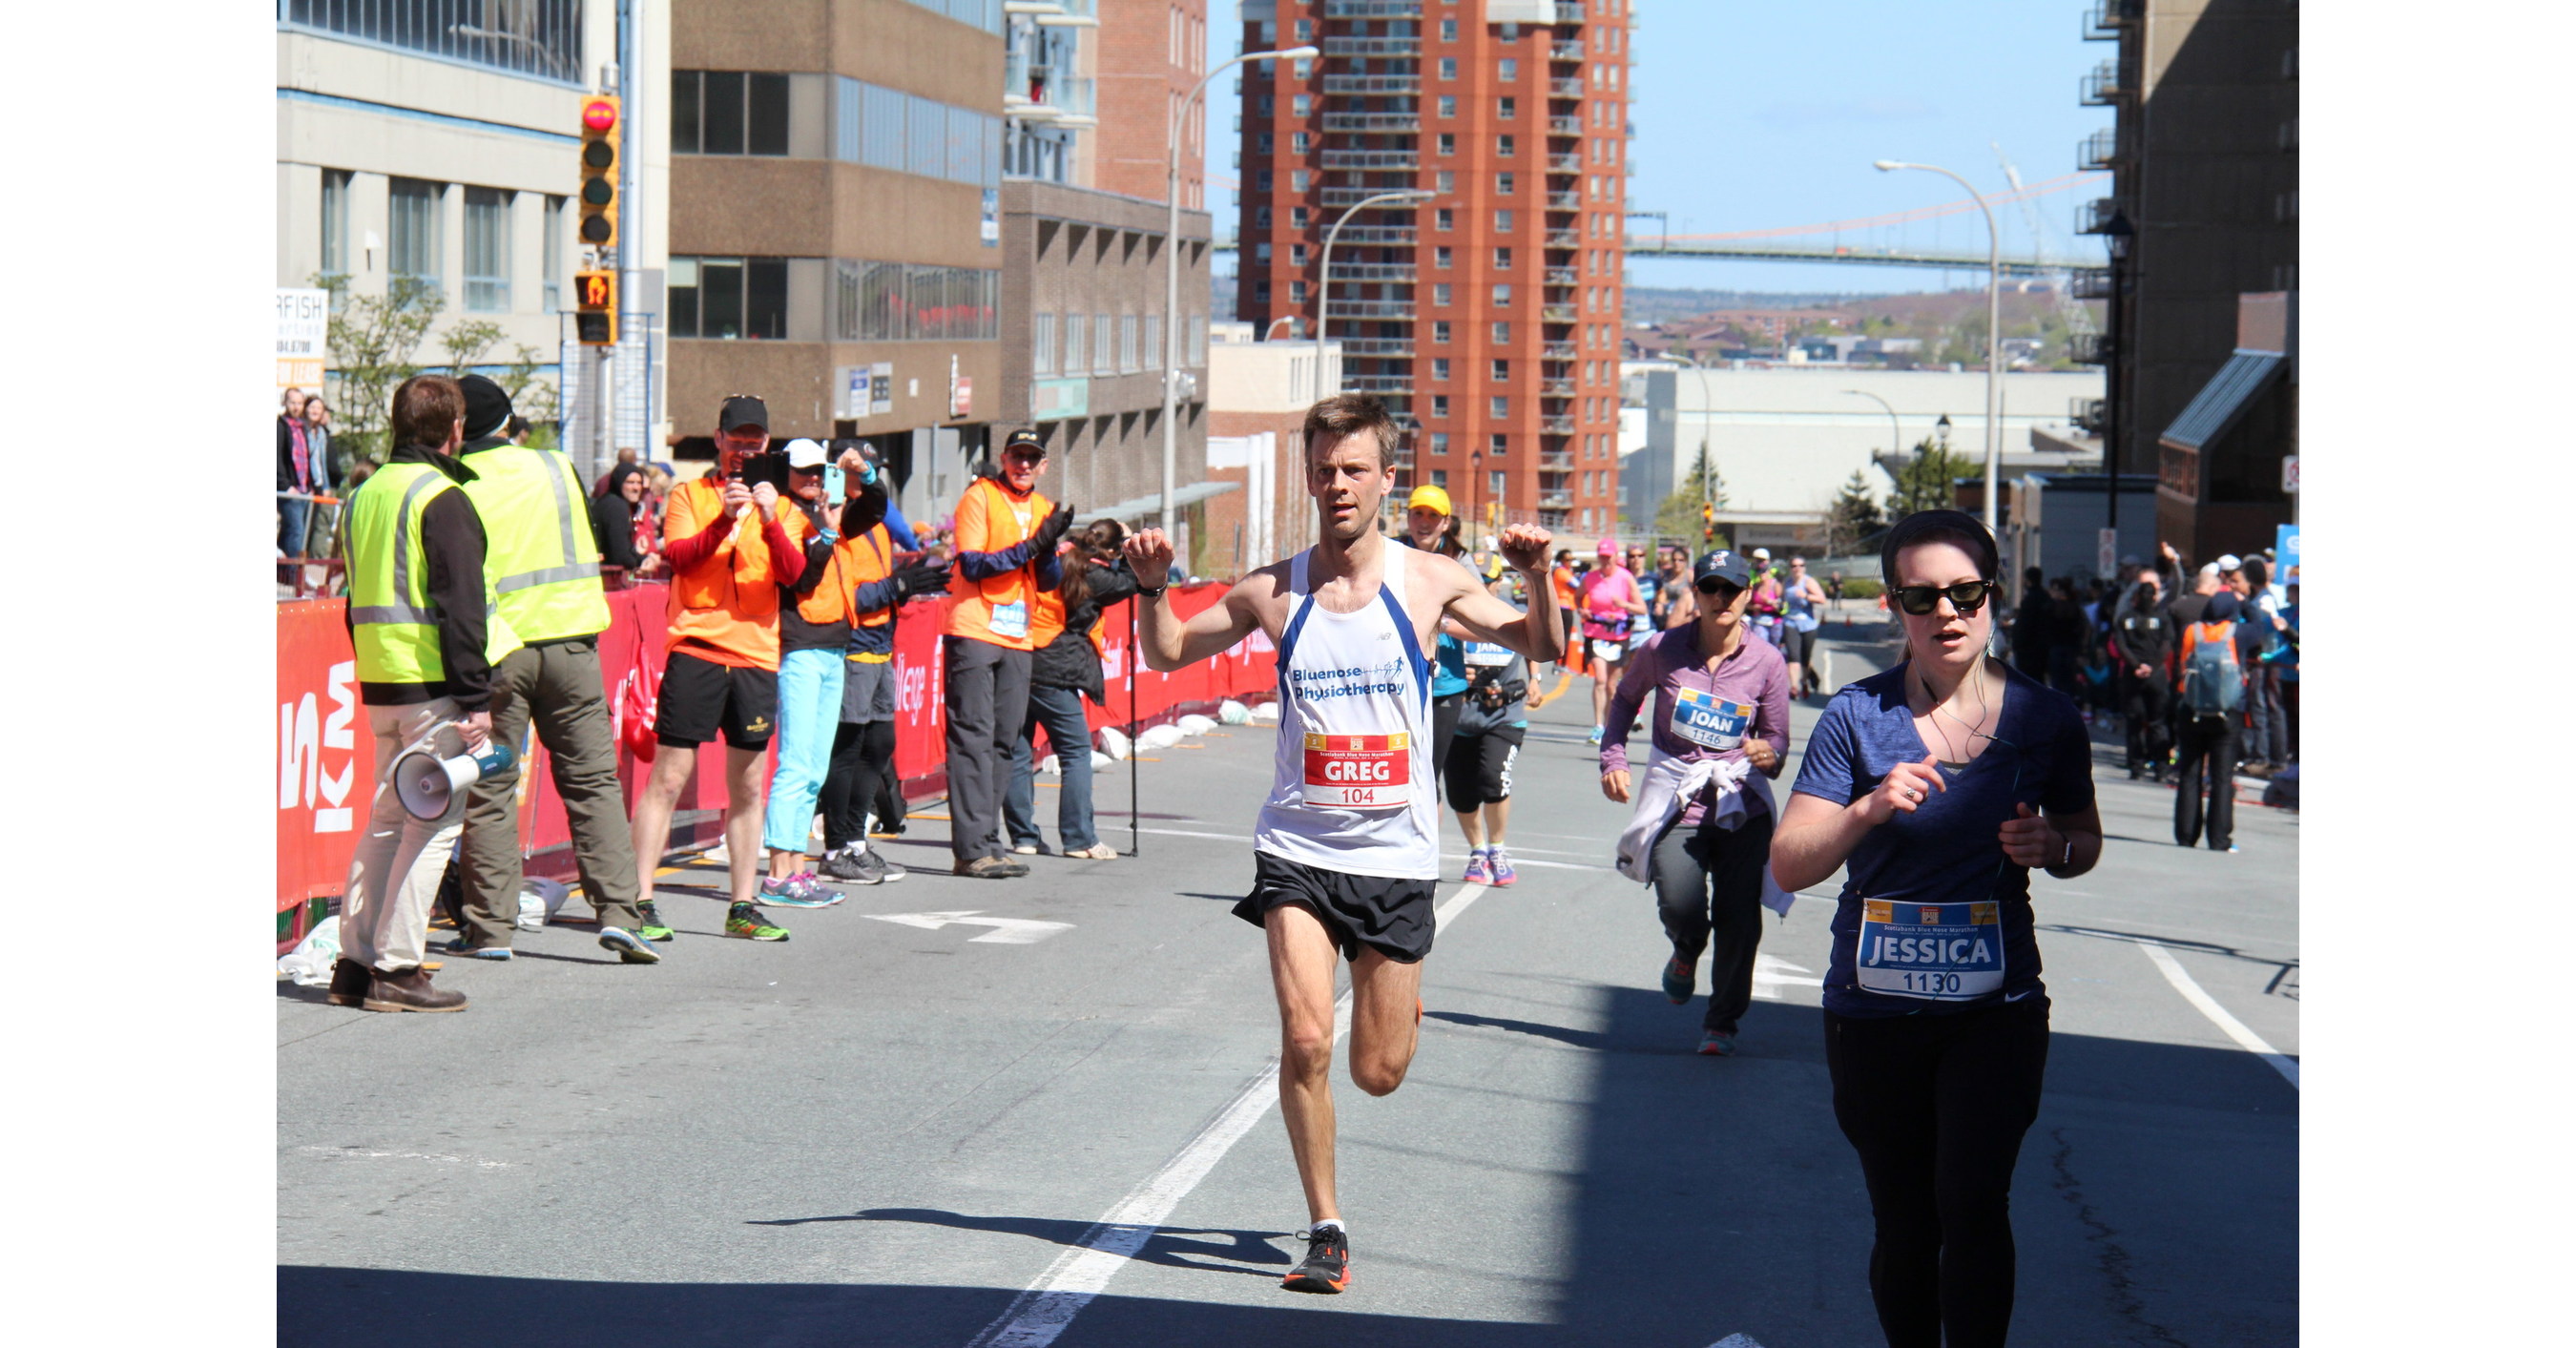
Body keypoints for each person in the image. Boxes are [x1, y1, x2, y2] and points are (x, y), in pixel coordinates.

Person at [1122, 393, 1562, 1296]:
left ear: (1386, 479)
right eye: (1323, 469)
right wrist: (1151, 586)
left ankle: (1398, 1008)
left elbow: (1539, 642)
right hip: (1298, 846)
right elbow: (1167, 652)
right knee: (1309, 1039)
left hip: (1396, 857)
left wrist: (1540, 577)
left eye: (1353, 469)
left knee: (1378, 1070)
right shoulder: (1271, 589)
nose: (1337, 485)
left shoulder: (1427, 580)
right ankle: (1327, 1226)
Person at [1769, 509, 2103, 1348]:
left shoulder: (2046, 718)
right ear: (1896, 605)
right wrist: (1869, 808)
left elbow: (2082, 839)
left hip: (1995, 1011)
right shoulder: (1855, 716)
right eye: (1923, 596)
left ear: (1993, 598)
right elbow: (1790, 860)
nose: (1945, 612)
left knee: (1973, 1200)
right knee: (1907, 1217)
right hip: (1874, 1014)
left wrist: (2052, 845)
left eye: (1965, 593)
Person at [441, 375, 659, 964]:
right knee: (592, 783)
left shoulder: (454, 483)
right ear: (509, 423)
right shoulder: (556, 466)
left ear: (458, 428)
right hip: (571, 645)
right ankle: (620, 914)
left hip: (501, 654)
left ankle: (490, 930)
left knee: (491, 790)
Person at [324, 374, 520, 1012]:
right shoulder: (442, 496)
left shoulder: (365, 493)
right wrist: (476, 701)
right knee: (432, 825)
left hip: (382, 680)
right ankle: (400, 965)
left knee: (386, 820)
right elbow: (463, 610)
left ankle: (355, 962)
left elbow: (355, 597)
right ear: (456, 428)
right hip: (432, 684)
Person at [627, 395, 811, 944]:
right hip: (698, 649)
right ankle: (639, 899)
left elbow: (796, 573)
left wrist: (769, 517)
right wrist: (724, 519)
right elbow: (678, 556)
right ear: (719, 440)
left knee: (749, 785)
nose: (744, 451)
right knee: (669, 778)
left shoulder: (785, 507)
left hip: (756, 655)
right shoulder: (688, 495)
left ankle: (743, 905)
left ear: (767, 445)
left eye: (755, 442)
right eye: (736, 441)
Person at [1601, 548, 1793, 1056]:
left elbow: (1778, 739)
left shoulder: (1768, 662)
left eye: (1732, 588)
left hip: (1740, 806)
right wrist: (1613, 758)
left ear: (1748, 595)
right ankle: (1686, 949)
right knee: (1683, 905)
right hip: (1676, 801)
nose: (1721, 598)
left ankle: (1722, 1024)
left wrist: (1766, 753)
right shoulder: (1662, 648)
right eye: (1711, 587)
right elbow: (1624, 700)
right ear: (1697, 593)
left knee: (1739, 919)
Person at [944, 429, 1076, 879]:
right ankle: (970, 847)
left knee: (1005, 741)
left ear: (1042, 465)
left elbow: (1048, 580)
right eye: (1017, 456)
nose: (1023, 464)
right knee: (972, 738)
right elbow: (973, 564)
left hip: (1018, 635)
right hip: (975, 628)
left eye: (1032, 458)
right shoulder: (980, 497)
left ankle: (989, 841)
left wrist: (1047, 549)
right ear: (1004, 458)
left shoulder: (1043, 509)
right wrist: (1032, 546)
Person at [817, 444, 946, 883]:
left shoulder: (875, 523)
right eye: (859, 471)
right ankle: (836, 848)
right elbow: (846, 596)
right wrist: (897, 585)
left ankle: (855, 841)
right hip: (852, 646)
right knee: (848, 749)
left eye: (871, 472)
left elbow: (881, 582)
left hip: (880, 647)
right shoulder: (834, 521)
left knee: (878, 745)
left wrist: (906, 585)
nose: (867, 478)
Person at [757, 439, 866, 908]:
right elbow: (799, 578)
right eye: (803, 471)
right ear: (786, 472)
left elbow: (875, 506)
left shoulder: (826, 509)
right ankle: (778, 874)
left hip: (833, 647)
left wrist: (863, 475)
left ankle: (797, 869)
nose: (814, 479)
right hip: (800, 647)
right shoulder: (782, 511)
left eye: (820, 471)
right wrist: (824, 532)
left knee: (814, 770)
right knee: (797, 763)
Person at [1007, 520, 1136, 860]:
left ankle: (1024, 837)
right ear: (1110, 550)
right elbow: (1130, 583)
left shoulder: (1057, 559)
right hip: (1056, 667)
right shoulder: (1091, 574)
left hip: (1021, 657)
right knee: (1076, 753)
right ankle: (1079, 839)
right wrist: (1127, 551)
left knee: (1020, 752)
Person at [1446, 570, 1531, 886]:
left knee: (1493, 780)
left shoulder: (1510, 612)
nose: (1484, 583)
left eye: (1490, 578)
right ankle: (1478, 851)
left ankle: (1497, 848)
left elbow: (1532, 638)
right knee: (1461, 792)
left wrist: (1534, 678)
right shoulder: (1452, 614)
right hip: (1459, 717)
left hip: (1503, 716)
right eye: (1478, 577)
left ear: (1499, 581)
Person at [1399, 486, 1473, 787]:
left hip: (1444, 686)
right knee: (1398, 776)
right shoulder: (1389, 554)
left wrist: (1437, 622)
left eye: (1433, 515)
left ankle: (1428, 835)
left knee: (1428, 780)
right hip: (1395, 683)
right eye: (1418, 513)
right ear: (1408, 518)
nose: (1424, 522)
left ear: (1445, 522)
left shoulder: (1461, 563)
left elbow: (1482, 629)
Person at [2173, 591, 2246, 852]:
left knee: (2189, 773)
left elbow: (2179, 664)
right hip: (2227, 712)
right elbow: (2261, 627)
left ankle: (2185, 834)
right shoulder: (2238, 633)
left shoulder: (2191, 631)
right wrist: (2244, 600)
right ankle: (2219, 839)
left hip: (2191, 707)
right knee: (2222, 777)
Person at [1580, 538, 1647, 745]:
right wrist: (1581, 609)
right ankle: (1598, 726)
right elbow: (1577, 597)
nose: (1605, 561)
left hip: (1618, 636)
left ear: (1616, 557)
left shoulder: (1626, 578)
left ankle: (1610, 726)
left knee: (1611, 684)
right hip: (1596, 632)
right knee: (1600, 678)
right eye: (1602, 557)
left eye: (1609, 557)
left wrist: (1623, 604)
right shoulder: (1591, 578)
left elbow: (1642, 608)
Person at [2111, 566, 2174, 781]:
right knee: (2157, 722)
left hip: (2132, 674)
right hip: (2156, 676)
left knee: (2135, 722)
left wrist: (2136, 665)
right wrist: (2152, 666)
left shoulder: (2125, 619)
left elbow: (2121, 646)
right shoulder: (2163, 619)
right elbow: (2166, 646)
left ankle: (2137, 766)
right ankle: (2161, 768)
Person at [591, 462, 662, 577]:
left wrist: (643, 558)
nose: (636, 488)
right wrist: (641, 562)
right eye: (630, 482)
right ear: (619, 483)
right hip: (606, 579)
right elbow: (620, 554)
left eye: (639, 483)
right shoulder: (616, 507)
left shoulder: (609, 502)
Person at [278, 387, 322, 561]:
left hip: (304, 488)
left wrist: (310, 485)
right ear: (285, 403)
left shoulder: (302, 427)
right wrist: (286, 485)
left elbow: (307, 457)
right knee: (296, 530)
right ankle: (294, 573)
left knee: (293, 530)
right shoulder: (280, 427)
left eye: (299, 403)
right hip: (290, 489)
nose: (296, 407)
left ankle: (283, 570)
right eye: (292, 403)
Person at [1779, 555, 1828, 699]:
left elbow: (1822, 599)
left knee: (1805, 657)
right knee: (1793, 656)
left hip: (1808, 625)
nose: (1797, 568)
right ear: (1790, 568)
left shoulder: (1808, 582)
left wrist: (1806, 596)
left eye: (1800, 565)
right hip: (1790, 622)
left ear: (1804, 567)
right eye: (1794, 566)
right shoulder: (1787, 582)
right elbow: (1782, 599)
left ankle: (1804, 681)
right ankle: (1794, 687)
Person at [2009, 566, 2054, 685]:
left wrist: (2017, 642)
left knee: (2028, 681)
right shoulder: (2046, 597)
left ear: (2028, 580)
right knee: (2039, 680)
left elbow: (2024, 624)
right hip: (2043, 647)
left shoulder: (2030, 599)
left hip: (2028, 648)